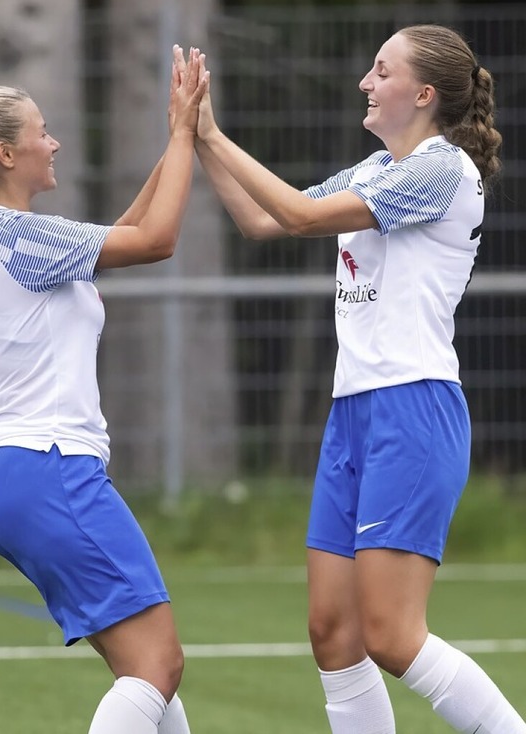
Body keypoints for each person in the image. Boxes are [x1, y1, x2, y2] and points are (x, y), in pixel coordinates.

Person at [188, 25, 526, 733]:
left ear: (424, 94)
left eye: (382, 71)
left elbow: (303, 215)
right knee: (332, 633)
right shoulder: (378, 167)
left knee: (392, 637)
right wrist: (198, 135)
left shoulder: (442, 168)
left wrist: (211, 134)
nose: (366, 84)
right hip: (354, 414)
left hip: (413, 408)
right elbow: (259, 219)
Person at [0, 46, 208, 734]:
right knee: (159, 665)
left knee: (147, 671)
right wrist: (182, 137)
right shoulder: (16, 233)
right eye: (40, 131)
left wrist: (183, 136)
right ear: (5, 154)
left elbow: (125, 232)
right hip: (48, 467)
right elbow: (155, 240)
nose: (53, 141)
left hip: (13, 473)